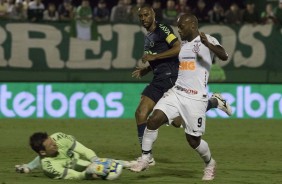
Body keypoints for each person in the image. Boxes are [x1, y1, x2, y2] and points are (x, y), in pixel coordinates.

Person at [130, 13, 229, 181]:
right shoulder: (182, 44)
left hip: (196, 98)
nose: (179, 30)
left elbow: (224, 55)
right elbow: (168, 58)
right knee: (153, 120)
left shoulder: (207, 39)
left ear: (192, 26)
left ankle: (210, 163)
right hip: (177, 92)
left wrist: (208, 45)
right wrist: (147, 69)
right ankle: (146, 158)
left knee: (193, 141)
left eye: (181, 27)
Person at [15, 132, 134, 180]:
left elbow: (83, 150)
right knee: (89, 169)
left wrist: (97, 161)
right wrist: (88, 173)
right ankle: (126, 164)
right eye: (51, 145)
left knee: (92, 164)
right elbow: (74, 175)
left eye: (52, 141)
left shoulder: (58, 138)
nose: (55, 144)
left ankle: (131, 163)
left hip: (73, 157)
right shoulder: (49, 167)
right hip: (66, 164)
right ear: (42, 152)